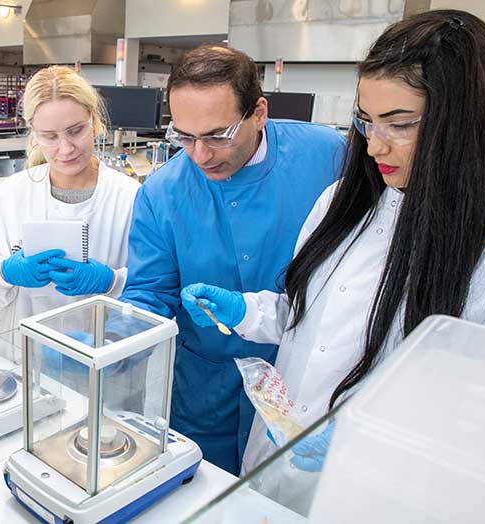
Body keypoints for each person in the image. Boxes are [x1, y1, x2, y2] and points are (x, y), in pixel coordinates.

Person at [180, 10, 485, 478]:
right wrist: (247, 312)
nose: (375, 146)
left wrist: (373, 433)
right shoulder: (343, 202)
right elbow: (310, 322)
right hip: (278, 459)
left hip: (382, 485)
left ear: (463, 122)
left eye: (399, 124)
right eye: (366, 121)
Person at [119, 45, 346, 475]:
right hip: (204, 386)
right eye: (184, 136)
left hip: (301, 380)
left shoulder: (329, 156)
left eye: (218, 135)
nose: (199, 155)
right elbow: (151, 292)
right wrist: (114, 337)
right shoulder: (161, 192)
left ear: (259, 112)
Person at [0, 66, 140, 344]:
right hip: (20, 360)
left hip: (105, 361)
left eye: (76, 131)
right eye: (50, 137)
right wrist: (4, 273)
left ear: (94, 121)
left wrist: (112, 281)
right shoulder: (7, 198)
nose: (65, 148)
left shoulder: (130, 198)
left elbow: (157, 290)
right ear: (34, 132)